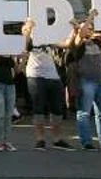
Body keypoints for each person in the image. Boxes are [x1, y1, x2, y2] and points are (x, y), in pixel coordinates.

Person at [22, 17, 74, 151]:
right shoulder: (29, 35)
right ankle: (40, 139)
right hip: (35, 75)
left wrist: (75, 29)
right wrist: (28, 29)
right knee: (38, 109)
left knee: (57, 110)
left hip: (53, 75)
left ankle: (57, 139)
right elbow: (23, 47)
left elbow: (67, 44)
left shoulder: (48, 37)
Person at [70, 9, 101, 150]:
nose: (90, 30)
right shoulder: (77, 44)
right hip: (86, 81)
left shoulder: (97, 42)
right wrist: (91, 16)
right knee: (84, 113)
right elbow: (81, 33)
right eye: (88, 27)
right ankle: (86, 142)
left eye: (92, 28)